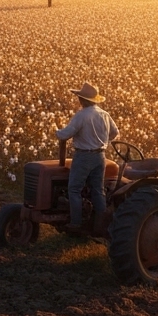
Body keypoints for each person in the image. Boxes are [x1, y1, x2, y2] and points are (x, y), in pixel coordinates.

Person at [56, 82, 119, 234]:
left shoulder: (81, 115)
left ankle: (76, 223)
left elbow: (65, 134)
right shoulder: (104, 115)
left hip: (83, 156)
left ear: (82, 100)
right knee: (98, 190)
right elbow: (115, 132)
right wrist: (103, 142)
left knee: (74, 189)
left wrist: (56, 131)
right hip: (100, 156)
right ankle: (101, 225)